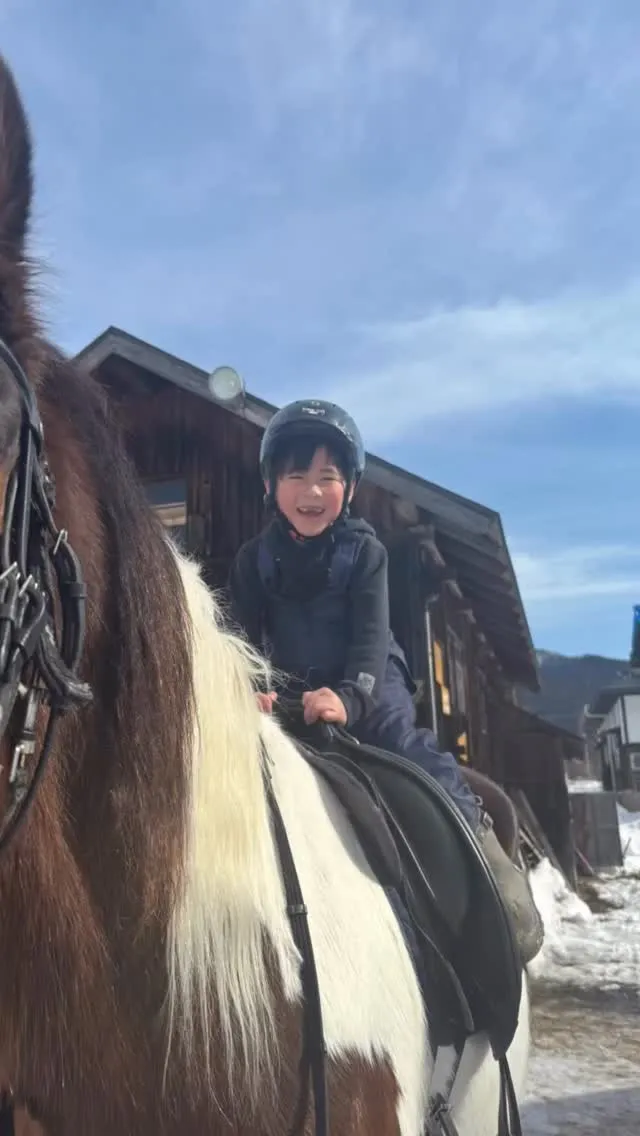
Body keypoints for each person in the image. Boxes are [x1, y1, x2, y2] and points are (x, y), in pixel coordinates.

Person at [228, 399, 543, 964]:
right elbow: (245, 638)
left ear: (348, 486)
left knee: (406, 746)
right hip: (291, 692)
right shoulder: (254, 560)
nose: (311, 490)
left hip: (368, 686)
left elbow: (371, 638)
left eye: (328, 476)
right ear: (272, 484)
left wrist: (352, 697)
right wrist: (253, 685)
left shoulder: (365, 551)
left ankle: (487, 858)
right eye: (296, 475)